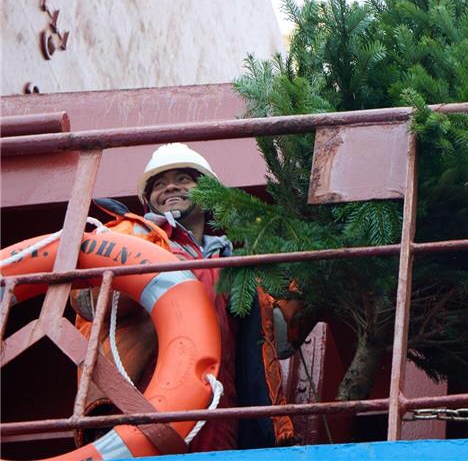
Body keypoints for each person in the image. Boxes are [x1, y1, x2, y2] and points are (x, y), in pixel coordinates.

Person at [71, 143, 303, 451]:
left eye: (183, 179)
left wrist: (306, 273)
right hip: (141, 399)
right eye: (158, 183)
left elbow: (279, 337)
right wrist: (144, 249)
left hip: (221, 411)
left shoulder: (236, 266)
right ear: (147, 200)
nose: (169, 187)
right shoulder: (127, 235)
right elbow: (87, 300)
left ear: (208, 197)